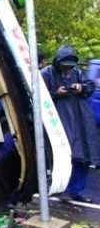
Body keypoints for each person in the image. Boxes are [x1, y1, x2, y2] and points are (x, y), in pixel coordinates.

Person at [41, 44, 100, 203]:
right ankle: (65, 190)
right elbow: (38, 96)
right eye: (64, 64)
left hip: (80, 117)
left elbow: (90, 86)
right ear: (58, 61)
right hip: (60, 119)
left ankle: (76, 190)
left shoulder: (76, 72)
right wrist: (56, 93)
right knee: (67, 155)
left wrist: (81, 87)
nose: (67, 68)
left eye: (70, 65)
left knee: (84, 155)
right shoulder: (46, 73)